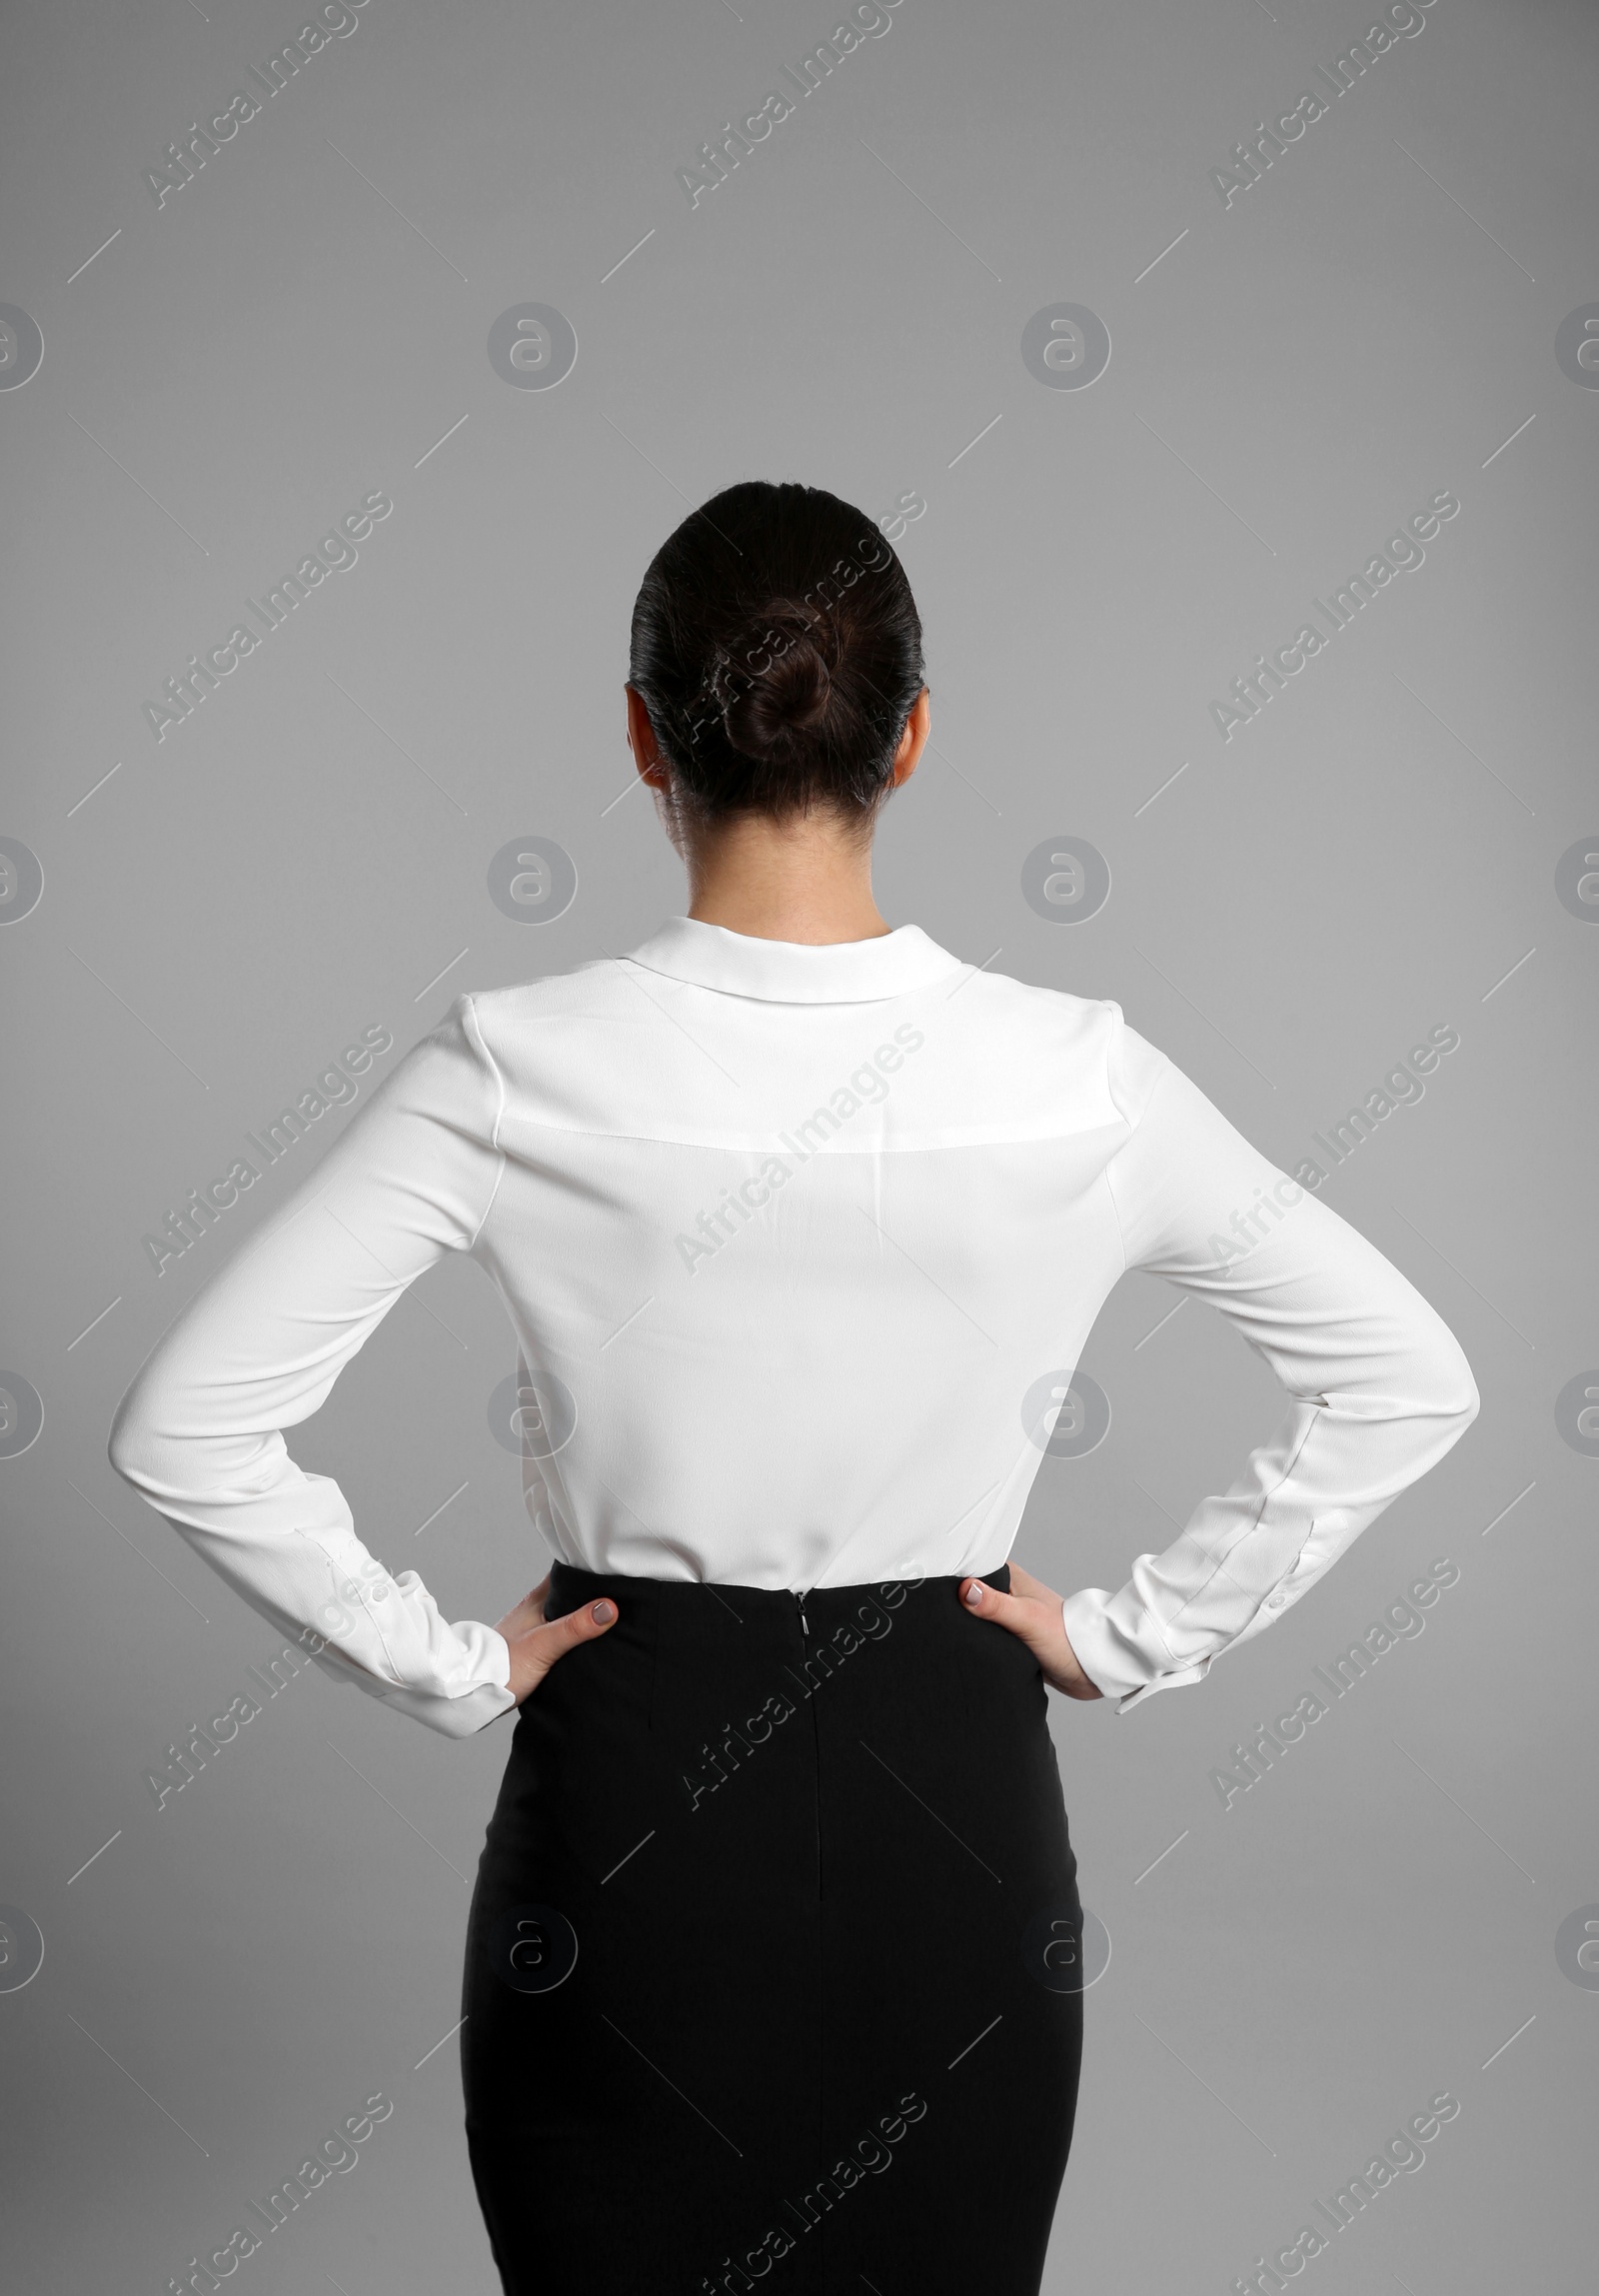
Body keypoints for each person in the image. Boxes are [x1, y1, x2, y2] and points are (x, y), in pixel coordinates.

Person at [107, 480, 1480, 2296]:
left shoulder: (518, 1064)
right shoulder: (1080, 1074)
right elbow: (1410, 1374)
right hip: (956, 1800)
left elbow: (185, 1429)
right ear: (911, 735)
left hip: (630, 1808)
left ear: (637, 732)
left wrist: (445, 1665)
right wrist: (1135, 1636)